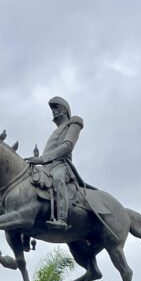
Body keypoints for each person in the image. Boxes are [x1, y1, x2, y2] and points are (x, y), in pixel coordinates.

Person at [27, 96, 84, 230]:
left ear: (65, 110)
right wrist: (38, 159)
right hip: (47, 167)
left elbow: (67, 146)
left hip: (61, 165)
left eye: (56, 108)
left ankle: (62, 219)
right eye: (52, 109)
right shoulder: (55, 131)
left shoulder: (74, 123)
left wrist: (42, 159)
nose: (53, 111)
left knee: (58, 179)